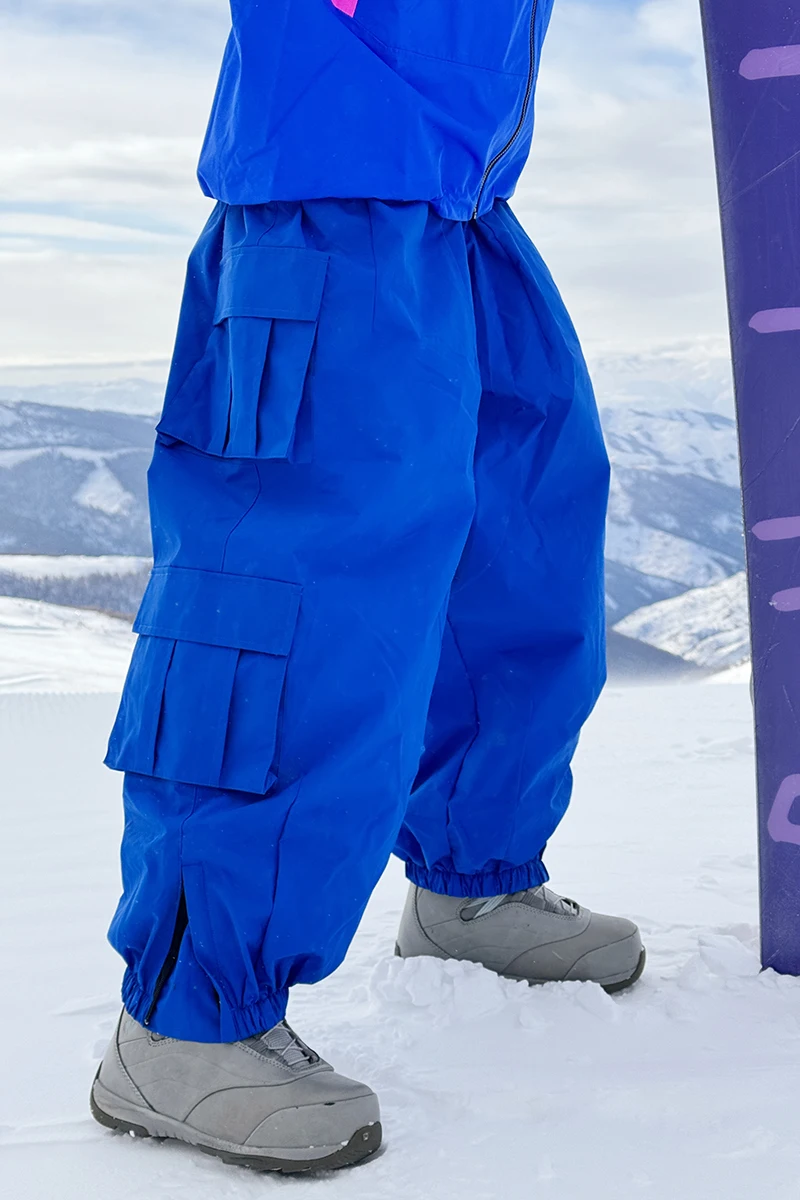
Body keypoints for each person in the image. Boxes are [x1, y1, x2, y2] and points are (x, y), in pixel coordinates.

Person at [91, 0, 644, 1174]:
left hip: (467, 186)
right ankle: (182, 1020)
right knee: (298, 602)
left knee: (518, 558)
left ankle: (470, 879)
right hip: (329, 159)